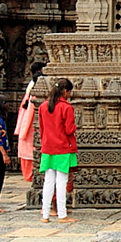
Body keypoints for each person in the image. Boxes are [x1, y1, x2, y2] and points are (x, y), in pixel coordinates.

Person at [36, 77, 76, 223]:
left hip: (47, 147)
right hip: (63, 147)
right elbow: (69, 129)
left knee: (48, 181)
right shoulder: (67, 108)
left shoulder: (43, 107)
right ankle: (62, 214)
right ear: (65, 91)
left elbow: (41, 128)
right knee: (61, 182)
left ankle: (45, 215)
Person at [14, 61, 45, 183]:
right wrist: (23, 132)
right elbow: (27, 115)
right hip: (31, 129)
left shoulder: (31, 91)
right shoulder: (33, 93)